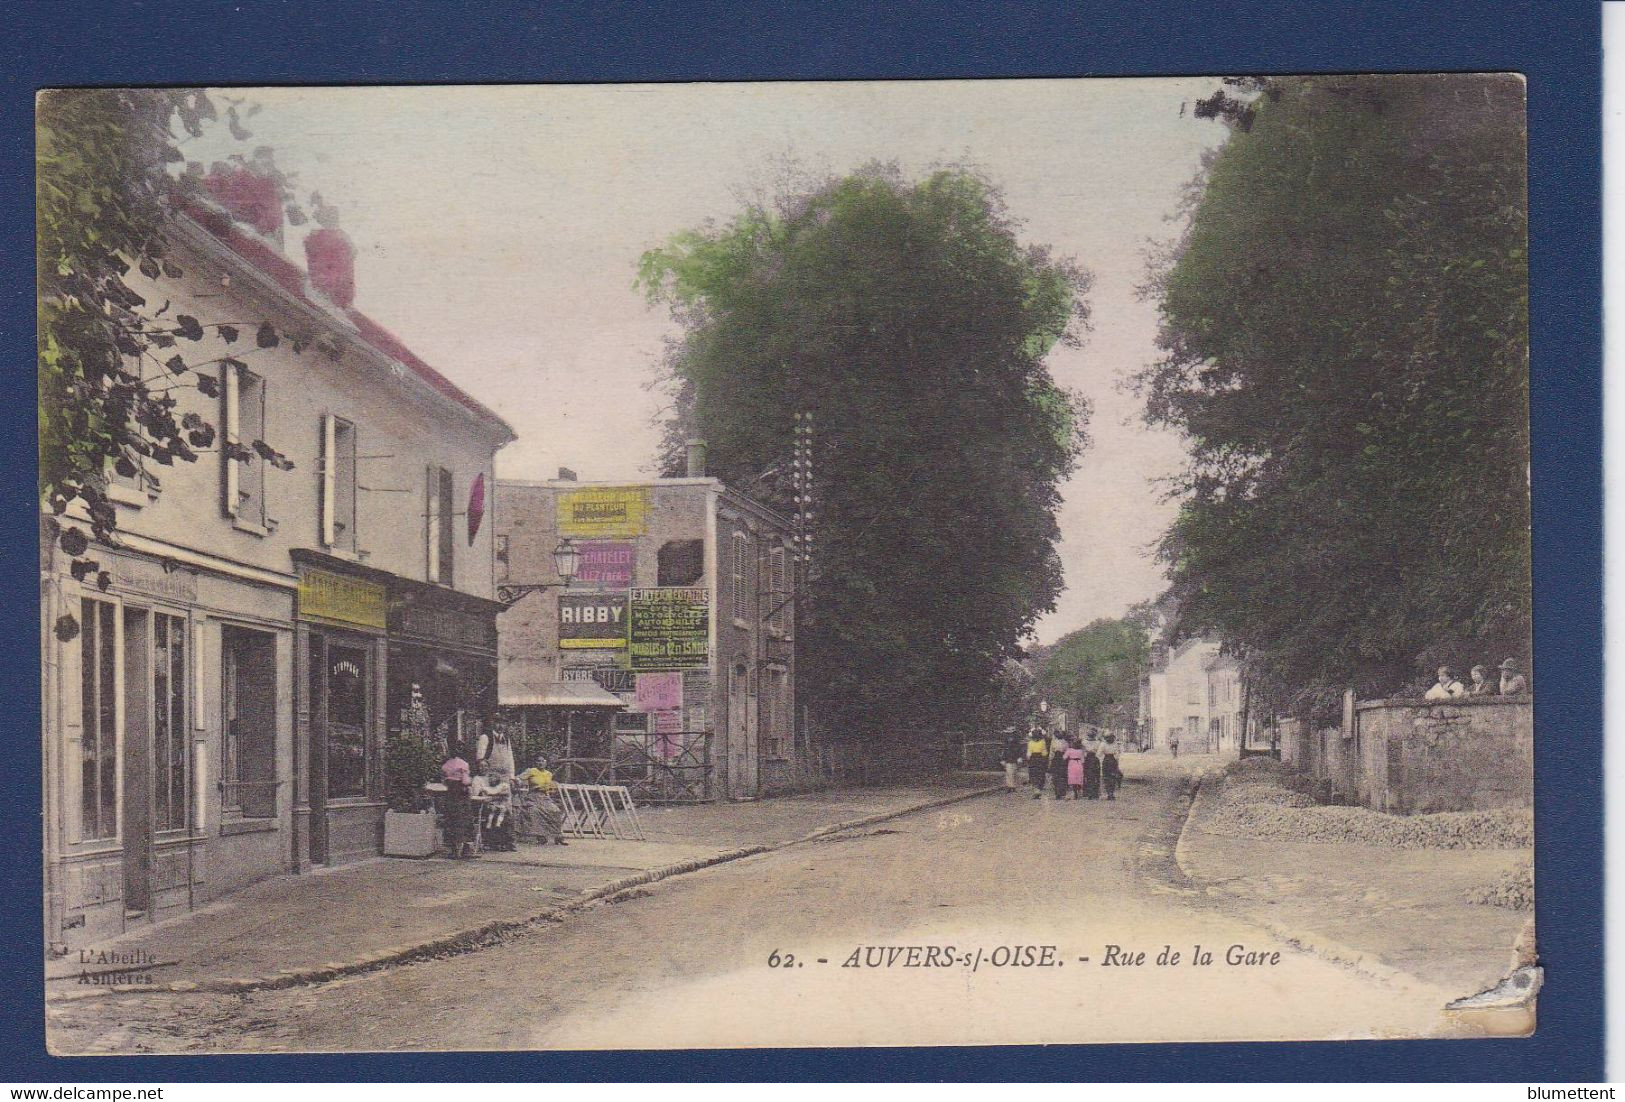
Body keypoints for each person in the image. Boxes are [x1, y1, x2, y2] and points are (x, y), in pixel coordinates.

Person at [472, 762, 514, 852]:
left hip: (496, 803)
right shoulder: (477, 779)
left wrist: (497, 796)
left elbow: (503, 791)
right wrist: (494, 796)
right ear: (477, 767)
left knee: (505, 813)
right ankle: (495, 842)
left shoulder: (492, 777)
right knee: (495, 813)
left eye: (485, 766)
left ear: (489, 767)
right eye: (480, 766)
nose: (483, 768)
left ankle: (504, 842)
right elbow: (477, 794)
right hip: (482, 805)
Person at [441, 753, 475, 859]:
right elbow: (465, 781)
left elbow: (444, 780)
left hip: (451, 794)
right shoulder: (463, 765)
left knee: (451, 819)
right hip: (461, 794)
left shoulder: (447, 765)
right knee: (464, 820)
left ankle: (453, 849)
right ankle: (465, 849)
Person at [1026, 727, 1049, 799]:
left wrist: (1028, 759)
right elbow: (1044, 753)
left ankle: (1036, 790)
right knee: (1040, 774)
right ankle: (1039, 789)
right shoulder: (1042, 742)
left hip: (1033, 759)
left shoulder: (1030, 743)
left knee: (1033, 775)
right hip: (1040, 759)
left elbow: (1029, 753)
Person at [1101, 735, 1124, 801]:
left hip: (1108, 761)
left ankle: (1110, 793)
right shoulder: (1105, 744)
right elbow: (1117, 755)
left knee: (1109, 778)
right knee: (1110, 777)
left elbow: (1099, 754)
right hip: (1111, 761)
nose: (1110, 739)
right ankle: (1110, 793)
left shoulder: (1107, 744)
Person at [1049, 736, 1069, 801]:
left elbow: (1067, 752)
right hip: (1056, 759)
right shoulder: (1053, 742)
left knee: (1062, 776)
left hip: (1062, 759)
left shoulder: (1065, 742)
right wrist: (1050, 760)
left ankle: (1062, 793)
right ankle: (1057, 793)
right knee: (1056, 777)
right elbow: (1051, 752)